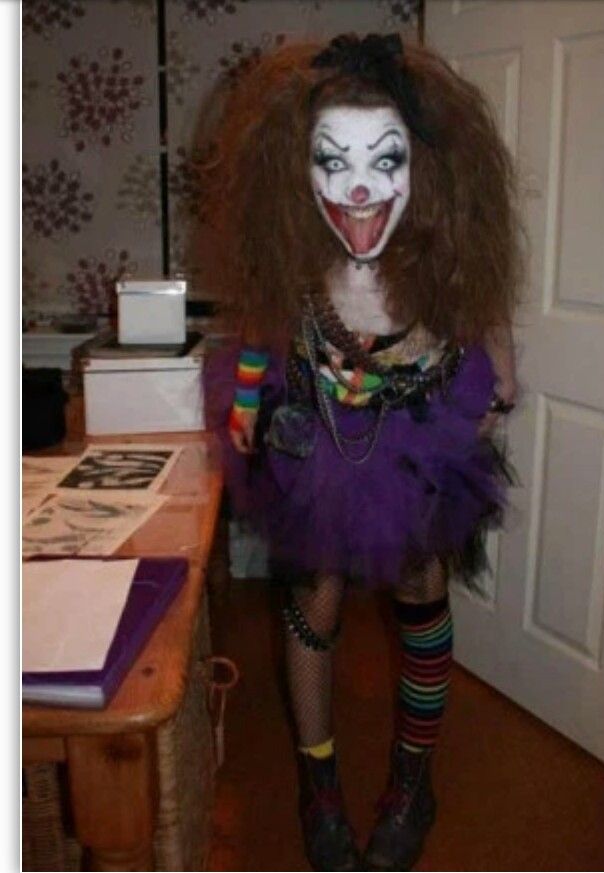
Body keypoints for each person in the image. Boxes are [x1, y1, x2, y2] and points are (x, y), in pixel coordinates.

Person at [197, 32, 521, 872]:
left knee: (421, 578)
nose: (360, 185)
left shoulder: (446, 245)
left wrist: (501, 372)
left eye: (385, 158)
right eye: (331, 160)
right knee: (316, 589)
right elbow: (266, 320)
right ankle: (319, 787)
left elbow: (485, 304)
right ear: (294, 168)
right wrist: (242, 406)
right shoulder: (291, 243)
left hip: (417, 436)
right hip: (318, 431)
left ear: (430, 166)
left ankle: (413, 785)